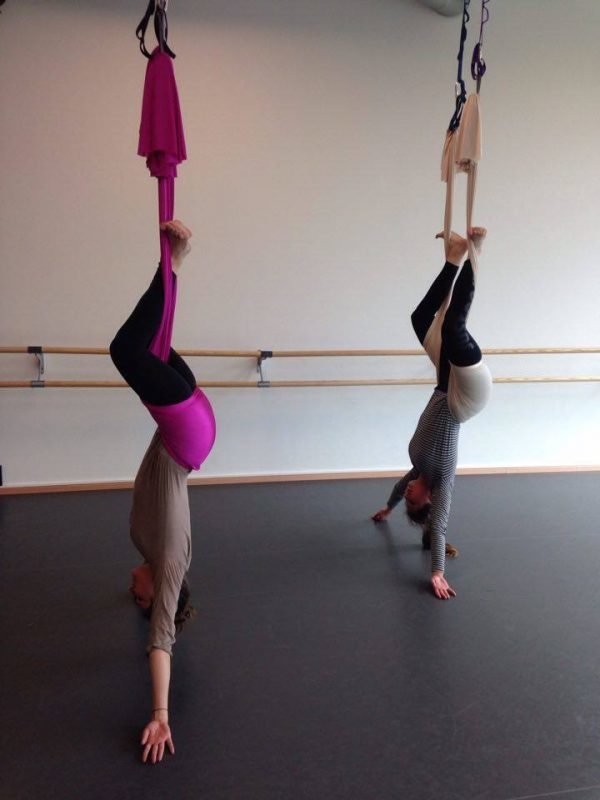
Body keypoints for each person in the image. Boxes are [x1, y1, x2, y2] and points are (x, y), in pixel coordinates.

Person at [110, 220, 216, 764]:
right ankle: (174, 260)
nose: (133, 591)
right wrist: (160, 715)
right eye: (140, 600)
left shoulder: (149, 549)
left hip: (183, 430)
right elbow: (161, 642)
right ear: (160, 596)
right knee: (125, 350)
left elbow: (160, 620)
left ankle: (173, 262)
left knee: (150, 343)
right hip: (186, 434)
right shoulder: (170, 563)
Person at [372, 228, 491, 600]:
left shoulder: (417, 467)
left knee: (422, 317)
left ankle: (454, 256)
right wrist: (437, 571)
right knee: (453, 327)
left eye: (407, 496)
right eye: (412, 500)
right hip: (467, 397)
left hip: (445, 384)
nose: (408, 492)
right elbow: (438, 530)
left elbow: (396, 487)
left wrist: (387, 508)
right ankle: (476, 252)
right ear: (429, 500)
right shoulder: (442, 480)